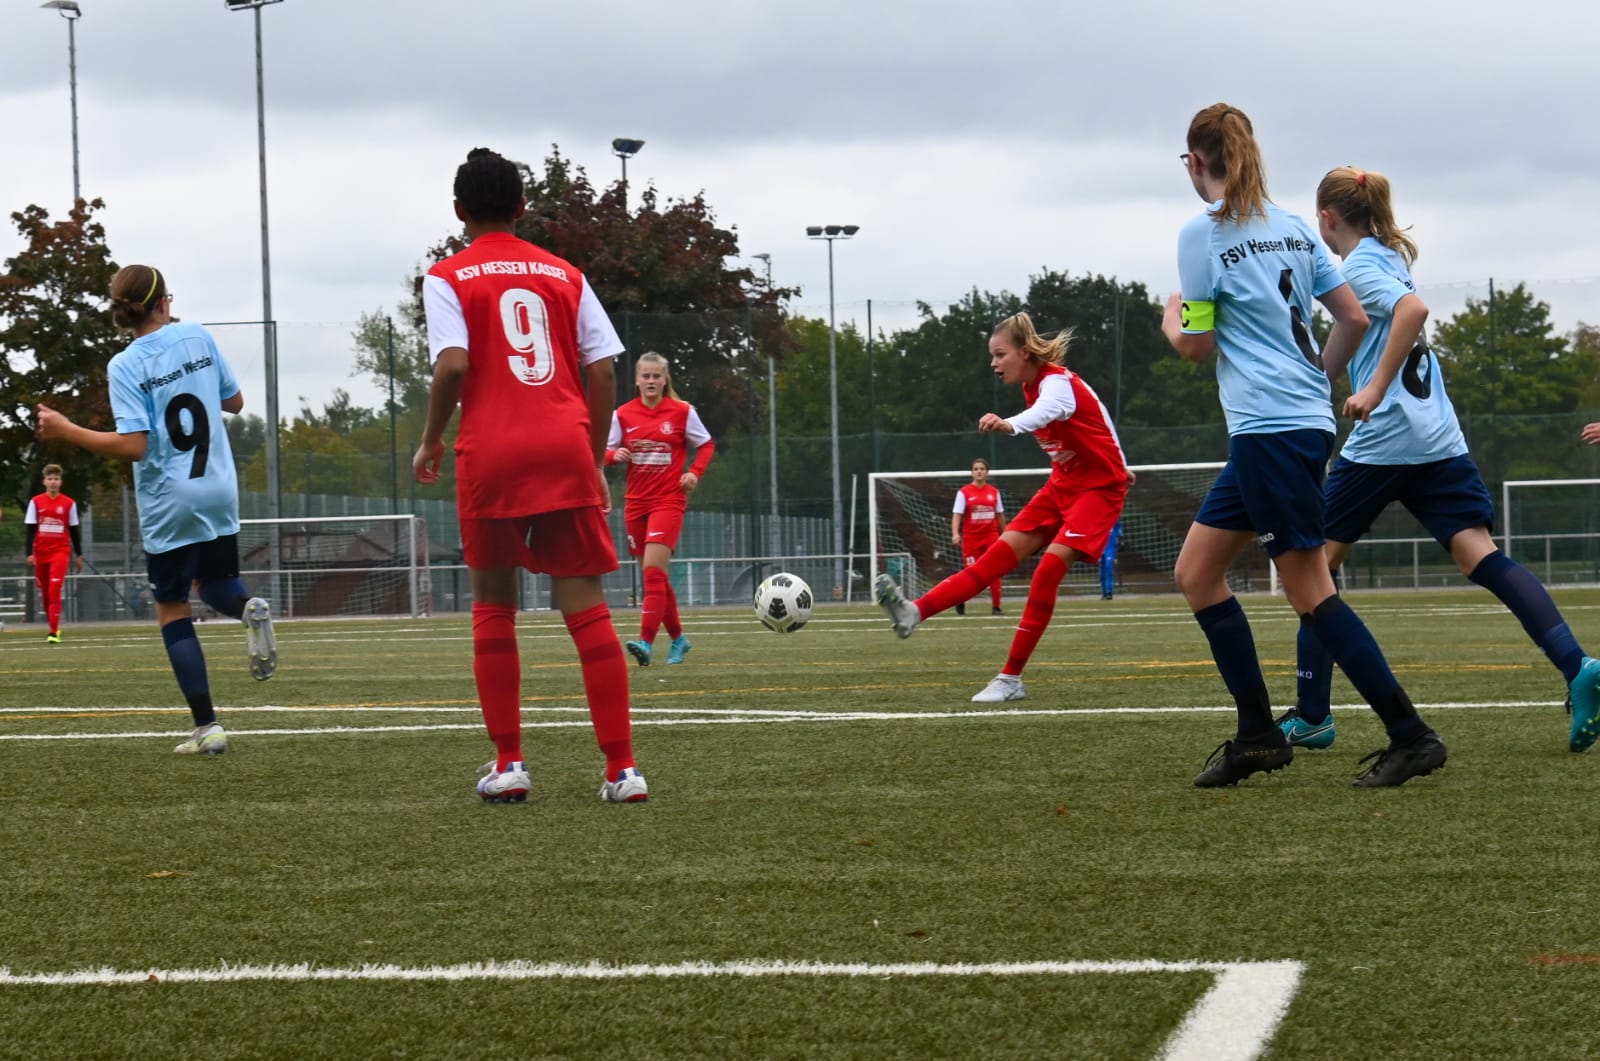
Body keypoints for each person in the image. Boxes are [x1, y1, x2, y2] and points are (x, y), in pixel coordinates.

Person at [1163, 103, 1445, 788]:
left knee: (1309, 587)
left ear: (1197, 163)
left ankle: (1411, 735)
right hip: (1296, 423)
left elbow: (1197, 346)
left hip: (1268, 429)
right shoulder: (1293, 226)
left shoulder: (1201, 236)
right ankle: (1258, 733)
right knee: (1197, 573)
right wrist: (1316, 375)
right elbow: (1351, 316)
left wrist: (1170, 318)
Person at [1275, 166, 1600, 755]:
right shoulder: (1388, 254)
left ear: (1326, 218)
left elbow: (1412, 313)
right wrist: (1319, 375)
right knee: (1480, 553)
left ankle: (1313, 714)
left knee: (1313, 570)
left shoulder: (1365, 267)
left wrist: (1371, 390)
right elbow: (1362, 330)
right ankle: (1577, 666)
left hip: (1385, 441)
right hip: (1437, 436)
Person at [414, 147, 646, 805]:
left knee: (493, 604)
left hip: (490, 452)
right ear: (522, 206)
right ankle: (622, 770)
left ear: (459, 211)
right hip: (563, 446)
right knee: (586, 605)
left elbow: (453, 365)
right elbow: (602, 370)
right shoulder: (565, 274)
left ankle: (510, 762)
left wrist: (432, 438)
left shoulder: (447, 275)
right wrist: (593, 447)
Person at [35, 264, 277, 756]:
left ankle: (207, 728)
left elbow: (135, 446)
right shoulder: (198, 336)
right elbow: (234, 400)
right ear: (165, 301)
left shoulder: (125, 364)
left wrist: (66, 431)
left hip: (171, 498)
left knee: (172, 607)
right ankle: (247, 608)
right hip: (218, 487)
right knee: (214, 584)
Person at [875, 312, 1130, 703]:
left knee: (1046, 573)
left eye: (999, 354)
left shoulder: (1056, 383)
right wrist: (1120, 460)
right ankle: (913, 613)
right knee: (990, 563)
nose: (993, 363)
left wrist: (1008, 424)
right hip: (1061, 486)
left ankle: (1011, 679)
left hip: (1096, 493)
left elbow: (1045, 414)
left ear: (1025, 353)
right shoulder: (1034, 386)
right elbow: (1099, 421)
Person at [605, 351, 715, 667]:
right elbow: (602, 450)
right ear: (637, 380)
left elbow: (706, 444)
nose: (651, 381)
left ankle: (646, 642)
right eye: (646, 376)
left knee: (653, 572)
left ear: (665, 379)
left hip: (668, 500)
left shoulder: (682, 412)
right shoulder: (623, 414)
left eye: (656, 376)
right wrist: (615, 456)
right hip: (636, 503)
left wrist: (694, 472)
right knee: (656, 579)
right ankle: (679, 639)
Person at [24, 464, 85, 642]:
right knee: (45, 593)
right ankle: (52, 624)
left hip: (60, 551)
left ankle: (53, 631)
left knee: (55, 587)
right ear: (44, 481)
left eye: (56, 479)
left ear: (61, 482)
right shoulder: (35, 502)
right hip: (41, 552)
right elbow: (30, 530)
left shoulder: (68, 503)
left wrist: (79, 554)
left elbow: (74, 531)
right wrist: (29, 553)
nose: (53, 482)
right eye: (50, 479)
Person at [951, 457, 1006, 616]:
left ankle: (996, 607)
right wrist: (955, 533)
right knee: (972, 574)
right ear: (972, 473)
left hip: (991, 537)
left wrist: (1006, 533)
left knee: (994, 570)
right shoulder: (964, 492)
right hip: (971, 539)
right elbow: (957, 515)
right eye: (976, 469)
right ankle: (960, 599)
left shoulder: (994, 492)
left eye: (982, 469)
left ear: (987, 472)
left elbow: (1000, 515)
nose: (979, 471)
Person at [1098, 519, 1122, 601]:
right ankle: (1104, 593)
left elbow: (1119, 531)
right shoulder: (1097, 519)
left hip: (1110, 548)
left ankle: (1109, 593)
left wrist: (1121, 542)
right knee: (1101, 571)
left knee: (1108, 567)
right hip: (1100, 547)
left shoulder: (1114, 518)